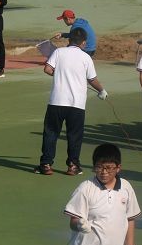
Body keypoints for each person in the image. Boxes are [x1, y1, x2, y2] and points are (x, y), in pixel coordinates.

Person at [38, 27, 105, 176]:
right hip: (77, 105)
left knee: (51, 133)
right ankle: (73, 166)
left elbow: (48, 69)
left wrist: (60, 74)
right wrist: (102, 90)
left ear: (70, 40)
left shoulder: (59, 52)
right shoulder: (86, 57)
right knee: (74, 135)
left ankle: (46, 165)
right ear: (83, 43)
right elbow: (92, 79)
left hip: (56, 101)